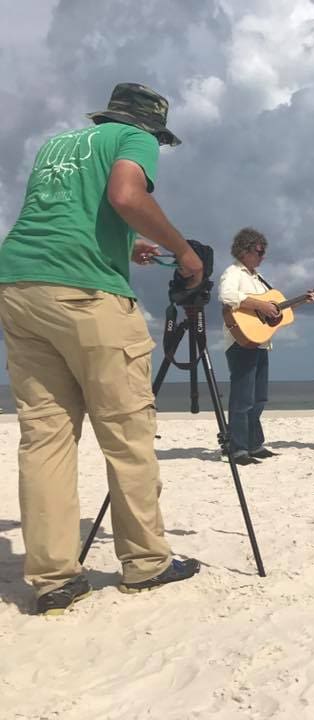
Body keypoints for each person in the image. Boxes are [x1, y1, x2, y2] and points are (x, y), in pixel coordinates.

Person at [0, 82, 204, 615]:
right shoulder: (133, 139)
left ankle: (52, 578)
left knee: (45, 438)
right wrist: (184, 254)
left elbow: (68, 215)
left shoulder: (56, 146)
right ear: (148, 126)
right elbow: (126, 196)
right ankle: (146, 562)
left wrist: (124, 241)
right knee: (127, 433)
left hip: (19, 283)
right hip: (87, 296)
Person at [218, 227, 314, 465]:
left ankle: (254, 444)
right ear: (244, 250)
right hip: (241, 342)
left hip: (261, 342)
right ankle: (237, 448)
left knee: (259, 397)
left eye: (264, 252)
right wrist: (260, 306)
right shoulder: (233, 272)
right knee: (242, 398)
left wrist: (303, 301)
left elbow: (276, 311)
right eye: (259, 251)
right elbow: (226, 295)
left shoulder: (258, 280)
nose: (263, 256)